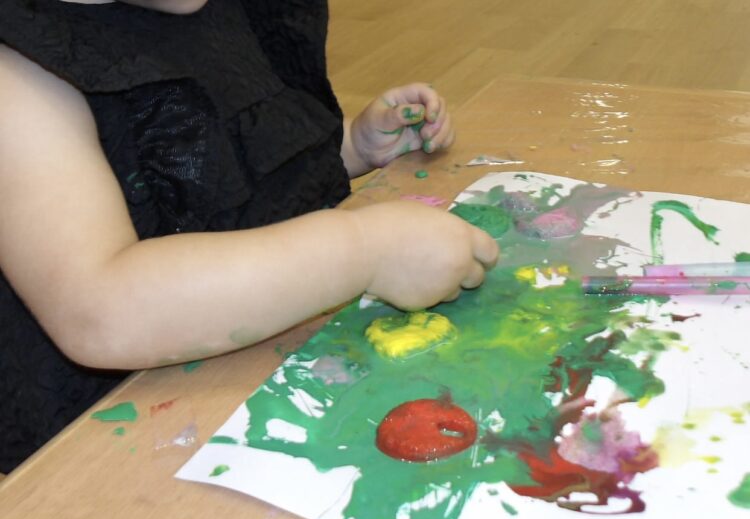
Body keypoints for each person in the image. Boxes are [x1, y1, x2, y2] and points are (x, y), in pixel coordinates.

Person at [0, 0, 499, 473]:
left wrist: (351, 148)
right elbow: (99, 311)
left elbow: (227, 183)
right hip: (123, 438)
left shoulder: (205, 14)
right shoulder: (16, 81)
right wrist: (364, 250)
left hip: (261, 364)